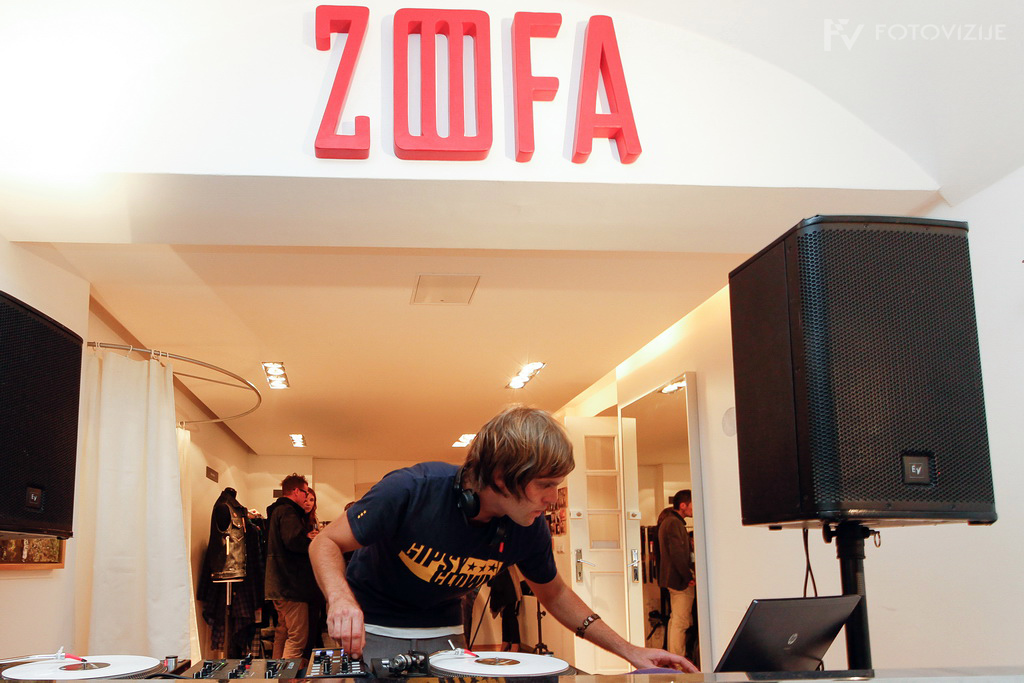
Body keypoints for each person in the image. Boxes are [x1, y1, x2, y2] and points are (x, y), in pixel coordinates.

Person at [310, 405, 697, 672]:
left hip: (445, 632)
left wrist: (630, 651)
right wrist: (341, 599)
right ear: (501, 477)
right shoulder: (411, 489)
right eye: (545, 485)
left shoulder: (528, 525)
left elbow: (555, 594)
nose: (553, 498)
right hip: (372, 628)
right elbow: (323, 543)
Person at [265, 474, 318, 661]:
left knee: (282, 632)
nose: (306, 497)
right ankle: (290, 674)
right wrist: (311, 541)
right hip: (291, 585)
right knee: (297, 637)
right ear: (296, 491)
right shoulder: (288, 512)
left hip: (277, 584)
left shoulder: (276, 511)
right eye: (305, 492)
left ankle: (278, 673)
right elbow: (294, 542)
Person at [657, 489, 695, 659]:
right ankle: (678, 661)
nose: (694, 508)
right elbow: (677, 553)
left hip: (672, 578)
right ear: (683, 505)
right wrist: (688, 577)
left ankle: (674, 658)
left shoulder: (669, 521)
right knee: (681, 621)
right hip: (678, 580)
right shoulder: (674, 523)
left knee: (677, 620)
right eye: (693, 504)